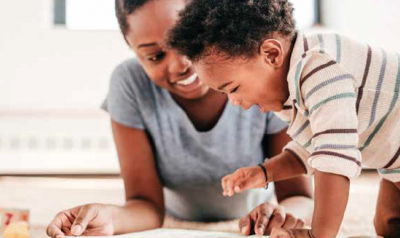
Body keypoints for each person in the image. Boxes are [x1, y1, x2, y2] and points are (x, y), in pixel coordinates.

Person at [46, 0, 314, 237]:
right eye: (155, 56)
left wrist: (279, 212)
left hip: (255, 212)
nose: (180, 64)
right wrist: (109, 217)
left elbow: (299, 196)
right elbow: (145, 205)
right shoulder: (129, 84)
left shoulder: (261, 76)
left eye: (189, 41)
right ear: (133, 51)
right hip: (176, 215)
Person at [167, 0, 400, 237]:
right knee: (388, 225)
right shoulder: (292, 86)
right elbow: (312, 150)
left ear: (271, 54)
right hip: (394, 161)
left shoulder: (320, 67)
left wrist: (318, 235)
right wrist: (265, 171)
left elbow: (334, 158)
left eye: (233, 88)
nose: (234, 102)